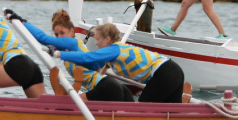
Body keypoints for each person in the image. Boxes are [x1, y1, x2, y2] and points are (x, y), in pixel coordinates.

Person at [11, 8, 134, 102]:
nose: (59, 37)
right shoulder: (67, 48)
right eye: (56, 35)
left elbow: (42, 38)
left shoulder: (73, 43)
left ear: (72, 31)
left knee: (66, 105)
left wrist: (23, 22)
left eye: (62, 33)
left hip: (107, 87)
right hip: (116, 88)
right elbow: (49, 44)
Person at [53, 23, 185, 103]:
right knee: (172, 113)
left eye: (98, 39)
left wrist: (58, 54)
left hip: (164, 73)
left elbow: (88, 57)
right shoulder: (117, 54)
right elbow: (92, 65)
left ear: (108, 39)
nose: (97, 43)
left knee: (140, 111)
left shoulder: (114, 49)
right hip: (174, 70)